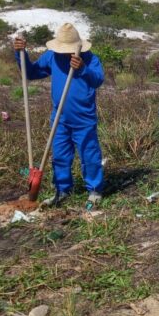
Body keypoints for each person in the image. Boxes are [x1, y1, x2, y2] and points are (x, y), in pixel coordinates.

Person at [14, 23, 105, 207]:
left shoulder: (89, 58)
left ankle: (94, 190)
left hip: (83, 118)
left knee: (90, 155)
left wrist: (83, 69)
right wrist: (21, 54)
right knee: (60, 155)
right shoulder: (52, 56)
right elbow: (31, 72)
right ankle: (62, 190)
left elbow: (98, 79)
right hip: (60, 118)